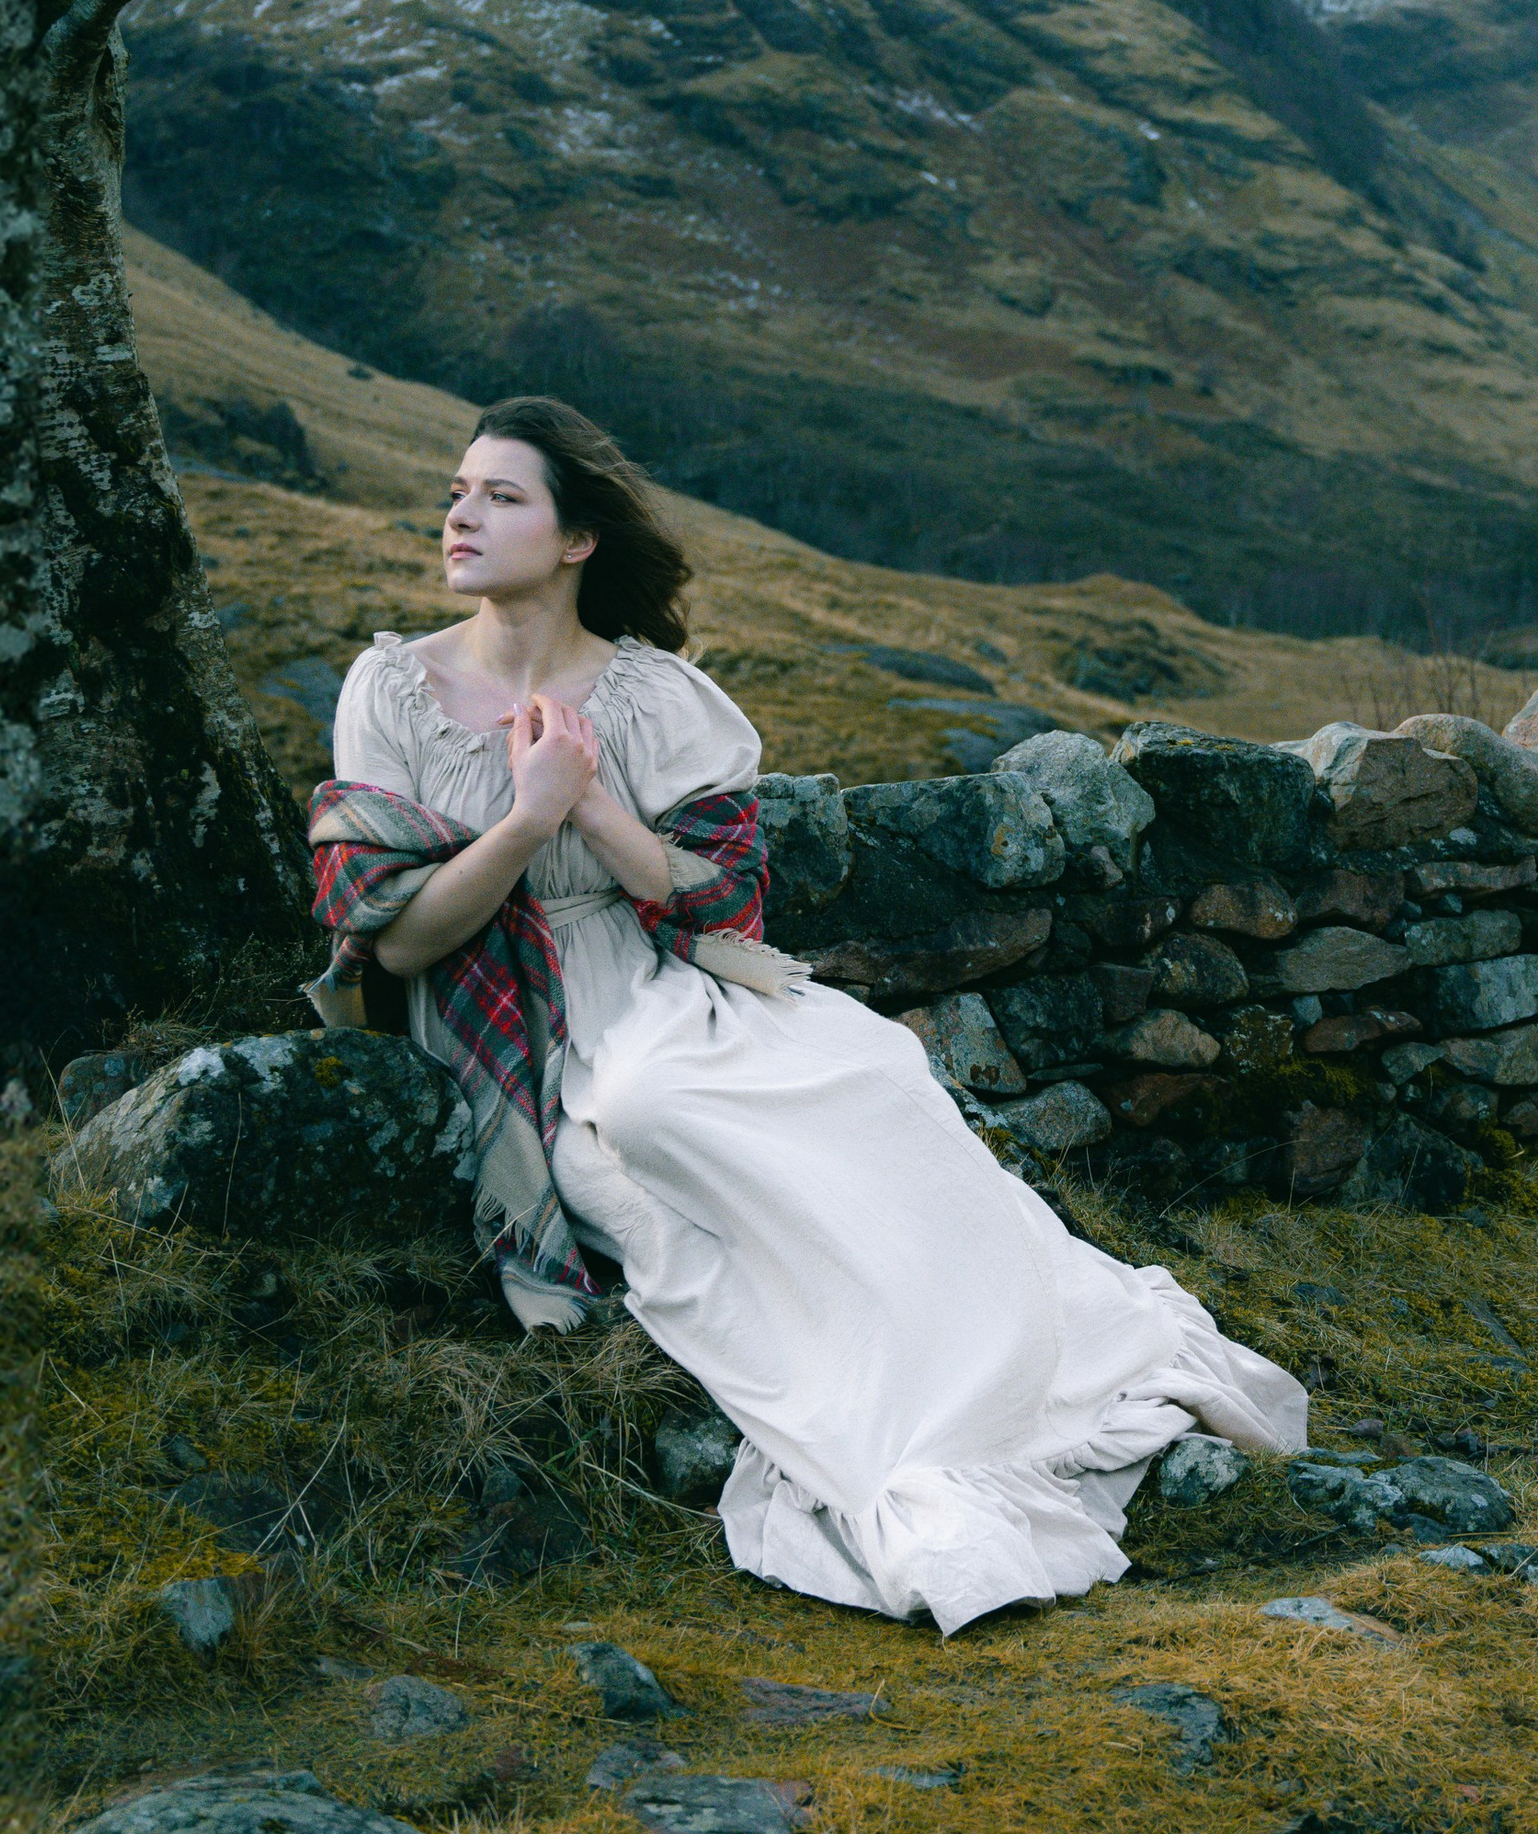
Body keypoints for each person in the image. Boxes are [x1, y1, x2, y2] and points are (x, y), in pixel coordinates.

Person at [310, 395, 1305, 1634]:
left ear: (577, 542)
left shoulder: (660, 699)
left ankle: (1010, 1381)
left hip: (675, 985)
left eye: (501, 496)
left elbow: (725, 903)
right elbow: (394, 935)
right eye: (456, 493)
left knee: (868, 1079)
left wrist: (597, 811)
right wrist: (523, 819)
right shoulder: (393, 689)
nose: (460, 514)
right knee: (642, 1134)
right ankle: (886, 1431)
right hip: (517, 1025)